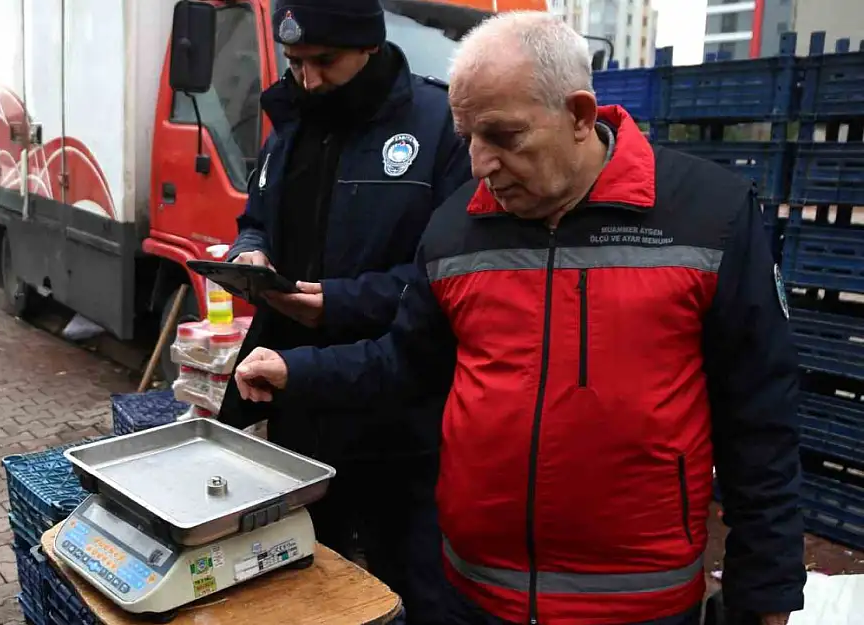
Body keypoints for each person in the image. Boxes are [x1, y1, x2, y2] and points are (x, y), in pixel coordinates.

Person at [233, 12, 805, 625]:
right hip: (475, 595)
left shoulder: (707, 216)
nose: (480, 164)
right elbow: (407, 363)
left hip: (637, 603)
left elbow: (759, 416)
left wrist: (765, 592)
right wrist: (298, 370)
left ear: (580, 116)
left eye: (503, 137)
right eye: (468, 138)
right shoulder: (456, 228)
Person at [217, 1, 473, 622]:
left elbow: (452, 277)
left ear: (369, 46)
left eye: (323, 61)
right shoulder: (290, 127)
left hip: (401, 415)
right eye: (295, 63)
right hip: (301, 397)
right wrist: (249, 255)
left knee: (408, 585)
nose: (307, 79)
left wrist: (340, 303)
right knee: (312, 579)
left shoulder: (441, 128)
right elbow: (255, 220)